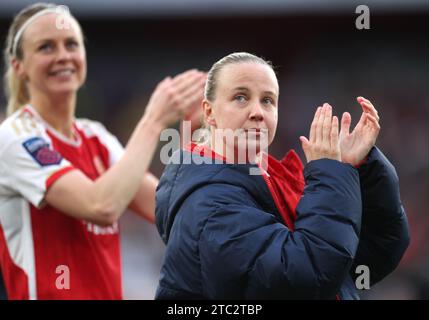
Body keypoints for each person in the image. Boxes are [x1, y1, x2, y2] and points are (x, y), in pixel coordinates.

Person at [155, 52, 410, 299]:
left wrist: (358, 169)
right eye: (241, 97)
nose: (258, 111)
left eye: (268, 100)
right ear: (209, 113)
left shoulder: (277, 180)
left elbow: (375, 252)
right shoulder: (208, 200)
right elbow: (304, 278)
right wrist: (332, 174)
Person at [0, 3, 206, 299]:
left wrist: (197, 135)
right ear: (19, 66)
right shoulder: (16, 136)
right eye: (46, 47)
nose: (63, 56)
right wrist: (154, 120)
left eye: (71, 44)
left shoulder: (96, 136)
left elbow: (173, 210)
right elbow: (100, 206)